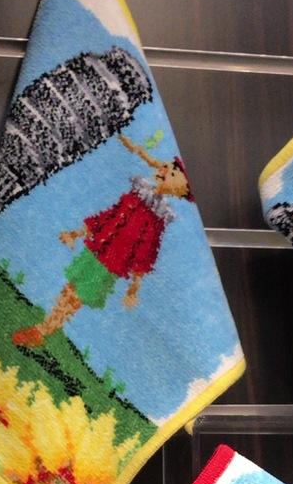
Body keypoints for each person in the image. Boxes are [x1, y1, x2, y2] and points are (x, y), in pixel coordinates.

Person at [12, 133, 193, 348]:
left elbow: (146, 252)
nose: (163, 170)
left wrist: (134, 287)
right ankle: (43, 329)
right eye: (168, 167)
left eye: (172, 173)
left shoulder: (156, 217)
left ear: (179, 191)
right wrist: (76, 233)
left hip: (110, 265)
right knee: (70, 289)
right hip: (96, 250)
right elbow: (107, 217)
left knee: (76, 296)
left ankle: (42, 331)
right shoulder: (136, 194)